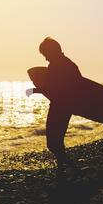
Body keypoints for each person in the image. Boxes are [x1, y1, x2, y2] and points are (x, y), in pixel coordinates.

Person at [28, 37, 82, 183]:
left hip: (60, 107)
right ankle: (61, 170)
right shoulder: (70, 64)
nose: (45, 58)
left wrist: (33, 90)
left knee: (52, 143)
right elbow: (80, 88)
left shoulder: (57, 65)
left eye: (45, 54)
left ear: (52, 51)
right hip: (65, 107)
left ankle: (74, 169)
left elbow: (51, 88)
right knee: (57, 141)